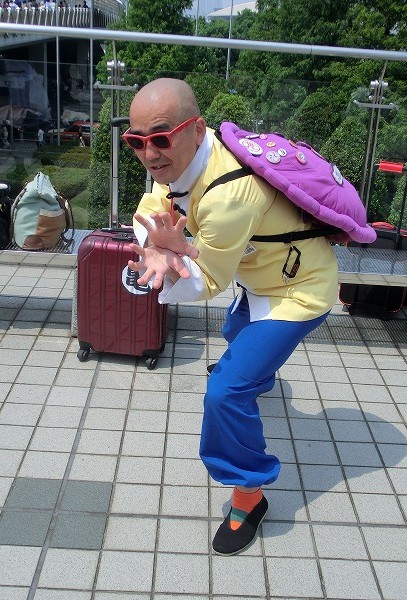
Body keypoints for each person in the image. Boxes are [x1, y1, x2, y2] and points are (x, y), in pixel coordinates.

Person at [125, 78, 338, 556]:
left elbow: (206, 282)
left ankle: (249, 495)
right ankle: (255, 373)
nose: (149, 153)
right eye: (136, 141)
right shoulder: (179, 164)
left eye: (160, 138)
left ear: (197, 129)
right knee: (236, 332)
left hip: (298, 290)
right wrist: (155, 245)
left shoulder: (228, 194)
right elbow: (155, 208)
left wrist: (169, 259)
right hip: (262, 276)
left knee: (225, 393)